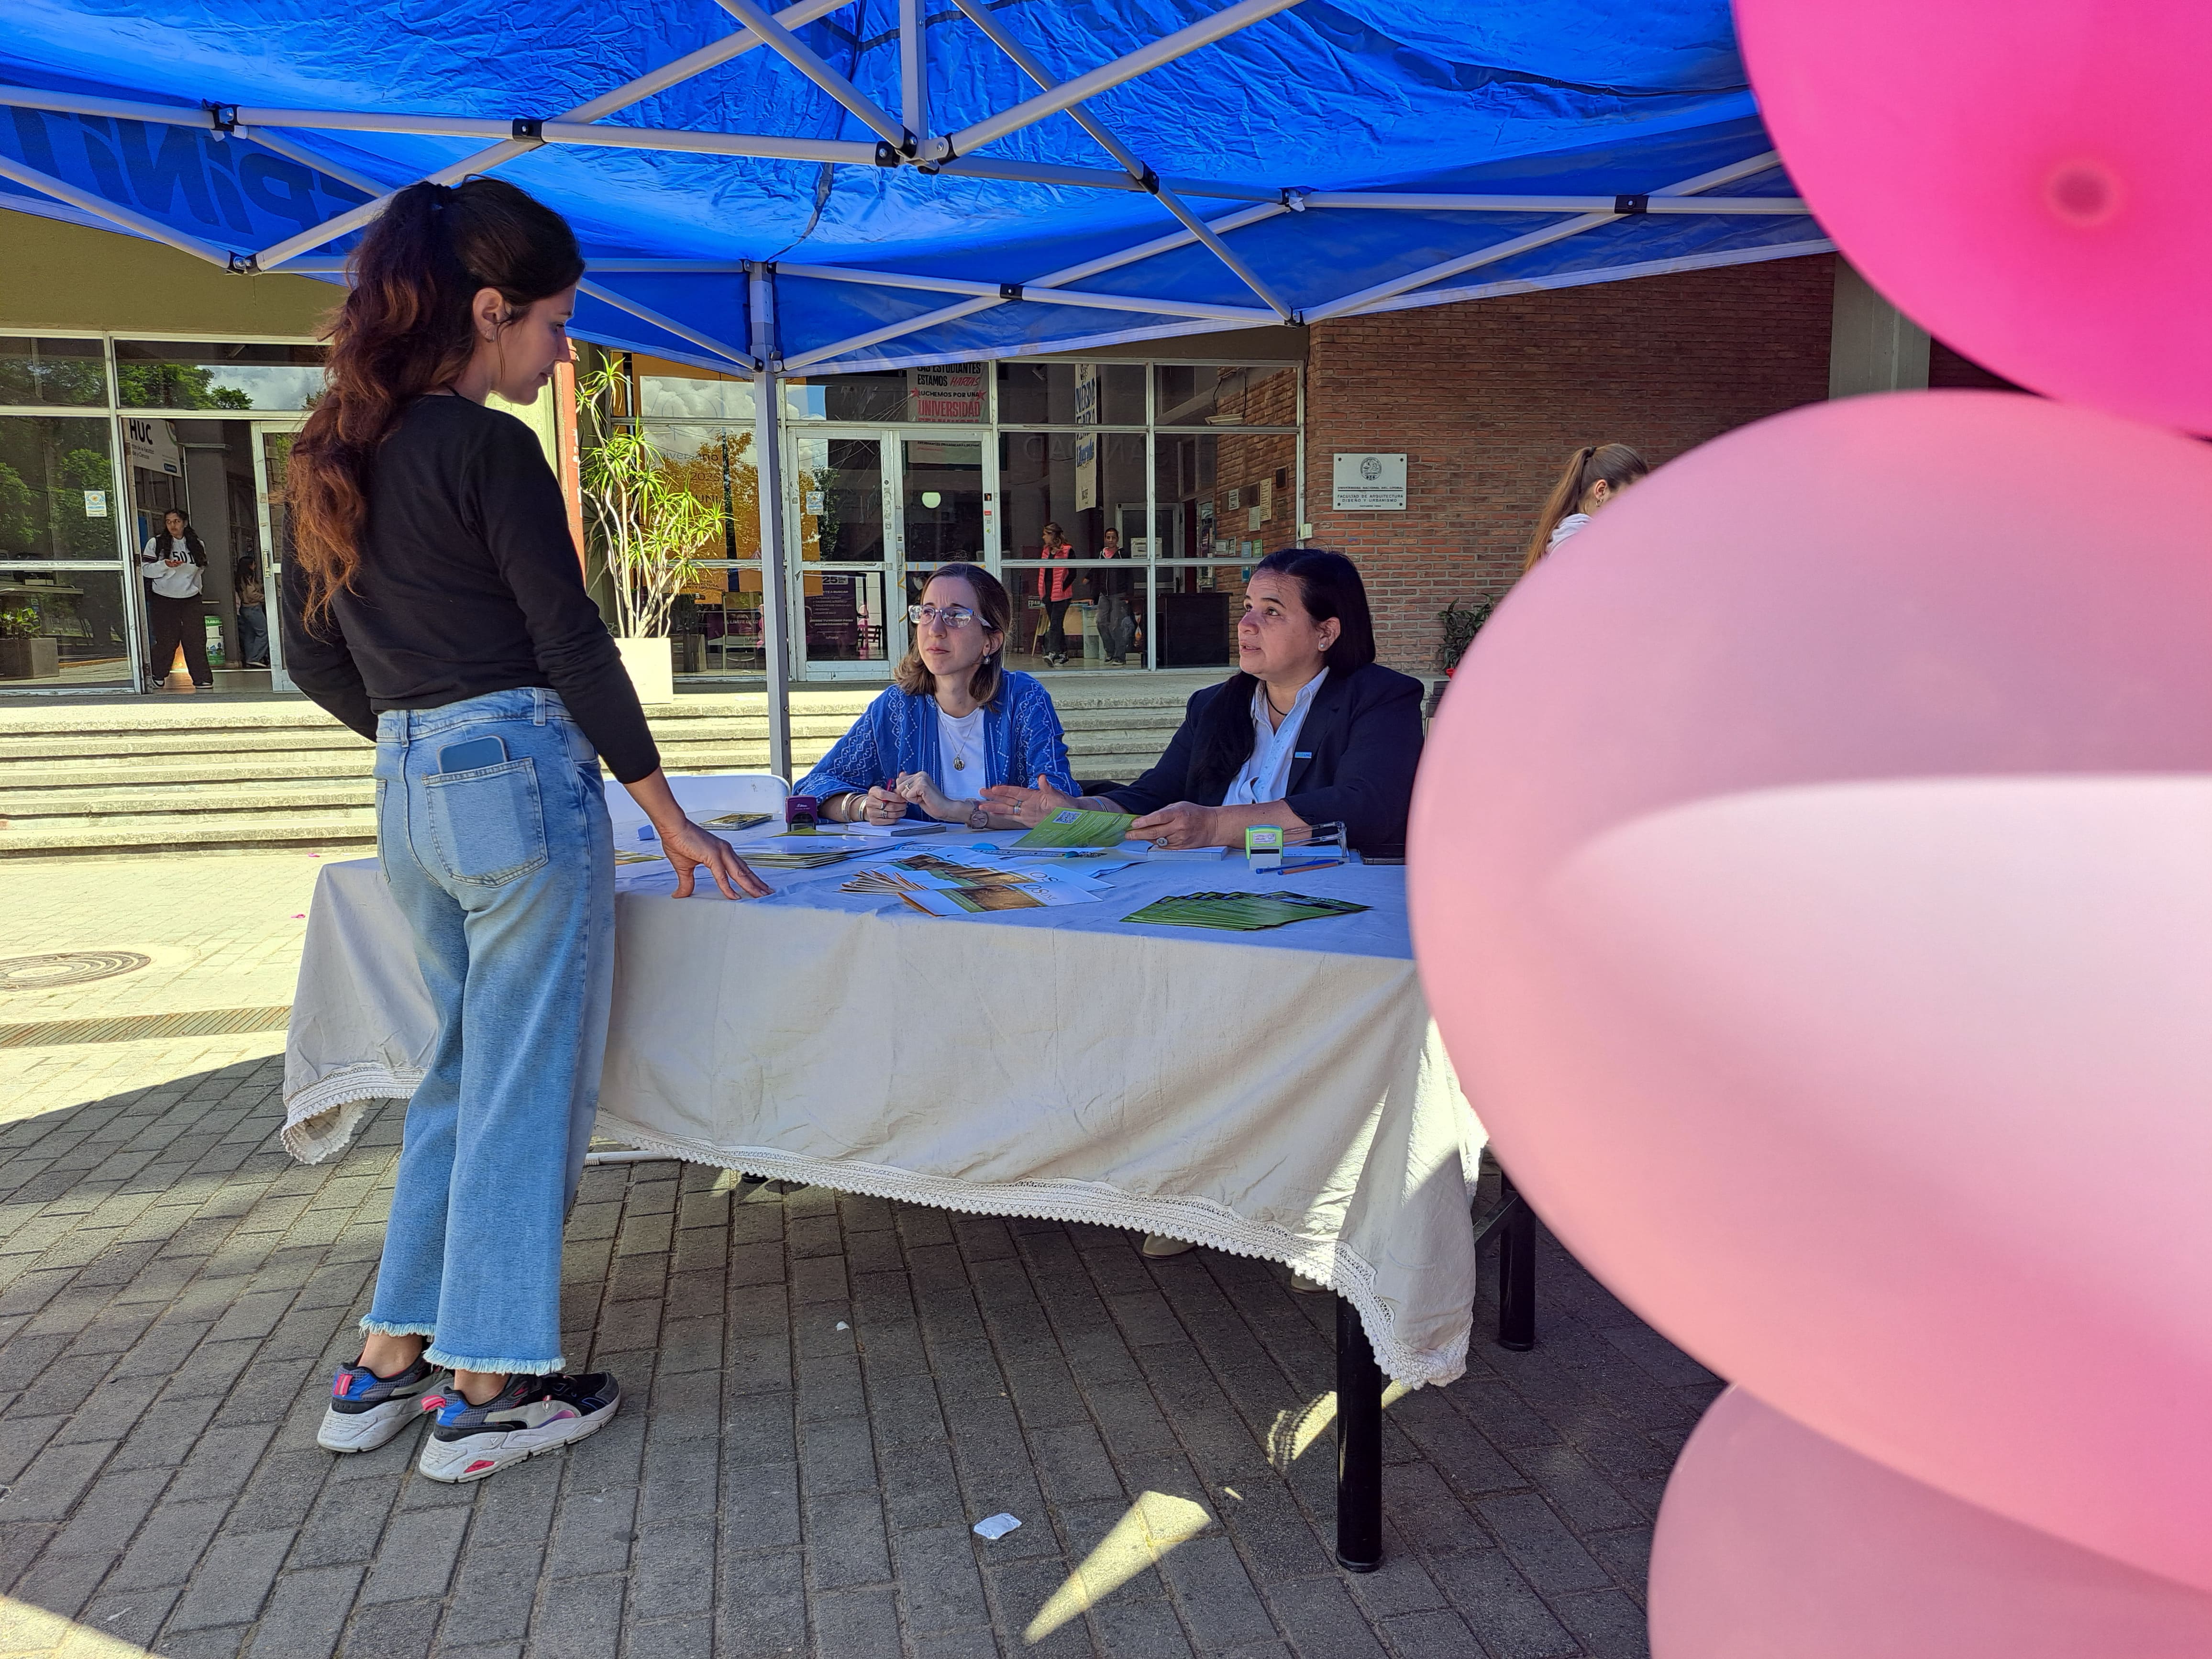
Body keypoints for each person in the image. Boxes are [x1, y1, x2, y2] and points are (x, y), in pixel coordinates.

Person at [280, 176, 767, 1484]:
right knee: (523, 1083)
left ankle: (389, 1357)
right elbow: (569, 639)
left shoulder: (330, 449)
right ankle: (489, 1385)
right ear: (489, 310)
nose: (562, 354)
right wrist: (665, 813)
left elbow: (309, 656)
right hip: (514, 782)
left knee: (458, 1070)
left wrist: (423, 743)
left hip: (408, 785)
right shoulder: (486, 448)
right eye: (556, 324)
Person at [986, 547, 1422, 857]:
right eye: (1248, 606)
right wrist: (1082, 811)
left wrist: (1215, 825)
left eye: (1271, 612)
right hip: (1208, 890)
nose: (1246, 624)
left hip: (1327, 897)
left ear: (1326, 632)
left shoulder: (1381, 698)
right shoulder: (1214, 705)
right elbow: (1156, 793)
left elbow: (1367, 806)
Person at [796, 563, 1077, 829]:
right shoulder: (897, 707)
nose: (935, 630)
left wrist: (955, 810)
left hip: (1013, 864)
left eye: (956, 616)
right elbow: (811, 789)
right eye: (927, 613)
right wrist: (862, 808)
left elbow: (1057, 805)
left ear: (991, 641)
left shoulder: (1023, 699)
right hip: (916, 864)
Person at [1523, 442, 1649, 570]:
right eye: (1633, 495)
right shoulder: (1579, 544)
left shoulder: (1569, 537)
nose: (1637, 507)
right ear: (1601, 491)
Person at [139, 509, 211, 689]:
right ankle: (158, 673)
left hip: (191, 598)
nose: (173, 525)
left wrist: (197, 590)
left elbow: (200, 570)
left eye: (177, 521)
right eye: (169, 522)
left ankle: (202, 677)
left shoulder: (197, 544)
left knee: (196, 638)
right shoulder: (156, 543)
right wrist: (165, 565)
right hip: (164, 598)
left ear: (185, 523)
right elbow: (145, 570)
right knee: (168, 639)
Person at [1091, 527, 1136, 666]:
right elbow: (1096, 575)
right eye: (1108, 537)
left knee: (1116, 625)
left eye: (1113, 538)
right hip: (1104, 594)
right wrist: (1093, 595)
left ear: (1118, 539)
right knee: (1101, 622)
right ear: (1105, 539)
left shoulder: (1122, 554)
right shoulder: (1101, 555)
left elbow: (1129, 574)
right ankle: (1110, 651)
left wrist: (1129, 594)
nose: (1111, 540)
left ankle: (1120, 655)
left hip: (1119, 594)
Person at [1036, 521, 1075, 665]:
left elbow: (1073, 573)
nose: (1043, 537)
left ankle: (1052, 652)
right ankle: (1063, 653)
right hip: (1048, 593)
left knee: (1055, 625)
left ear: (1053, 535)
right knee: (1056, 624)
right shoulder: (1046, 551)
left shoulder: (1067, 551)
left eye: (1045, 535)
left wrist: (1063, 587)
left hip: (1061, 595)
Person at [232, 554, 269, 667]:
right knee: (264, 633)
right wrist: (265, 597)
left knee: (250, 635)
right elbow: (251, 594)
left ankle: (249, 659)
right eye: (254, 564)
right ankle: (255, 658)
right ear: (249, 566)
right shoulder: (248, 578)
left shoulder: (240, 578)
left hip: (245, 608)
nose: (255, 566)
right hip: (253, 608)